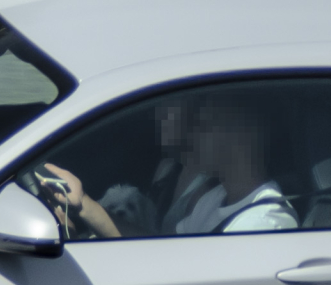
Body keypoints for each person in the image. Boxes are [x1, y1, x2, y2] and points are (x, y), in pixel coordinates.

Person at [38, 92, 297, 240]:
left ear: (240, 136)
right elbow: (155, 247)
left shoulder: (261, 226)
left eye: (204, 126)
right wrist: (82, 203)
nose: (193, 135)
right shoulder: (216, 199)